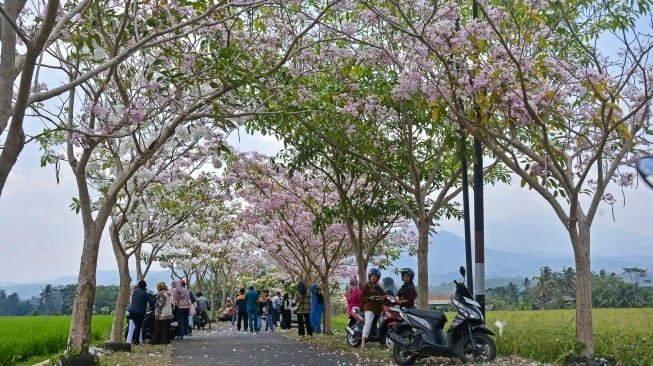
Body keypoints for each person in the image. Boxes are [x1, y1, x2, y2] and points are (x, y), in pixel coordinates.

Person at [359, 268, 384, 348]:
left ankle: (382, 340)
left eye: (375, 276)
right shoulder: (367, 285)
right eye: (372, 276)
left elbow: (384, 294)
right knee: (368, 322)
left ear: (378, 278)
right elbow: (361, 298)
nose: (373, 278)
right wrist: (370, 298)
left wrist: (390, 297)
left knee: (382, 323)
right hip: (369, 307)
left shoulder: (378, 287)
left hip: (378, 308)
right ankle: (363, 341)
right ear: (369, 276)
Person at [127, 279, 156, 345]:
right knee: (138, 327)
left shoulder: (135, 291)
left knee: (136, 326)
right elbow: (152, 301)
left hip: (132, 312)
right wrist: (157, 297)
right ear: (144, 286)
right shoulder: (144, 293)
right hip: (139, 312)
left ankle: (135, 340)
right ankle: (135, 341)